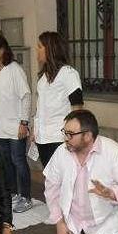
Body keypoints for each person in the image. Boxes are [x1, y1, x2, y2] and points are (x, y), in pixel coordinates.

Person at [0, 34, 34, 213]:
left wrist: (24, 122)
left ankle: (26, 197)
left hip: (15, 126)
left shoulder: (15, 70)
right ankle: (13, 193)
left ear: (2, 49)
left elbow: (26, 96)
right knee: (5, 162)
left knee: (18, 160)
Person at [32, 31, 83, 167]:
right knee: (50, 179)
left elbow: (77, 107)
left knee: (63, 178)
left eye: (39, 46)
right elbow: (40, 107)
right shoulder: (43, 78)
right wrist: (35, 130)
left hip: (60, 137)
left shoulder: (68, 73)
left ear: (50, 49)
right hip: (42, 137)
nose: (36, 50)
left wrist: (72, 135)